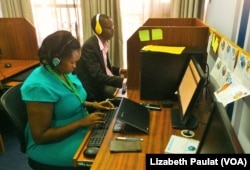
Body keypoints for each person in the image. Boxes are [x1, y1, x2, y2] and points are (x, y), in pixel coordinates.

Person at [20, 30, 115, 168]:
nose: (75, 66)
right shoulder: (38, 87)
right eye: (72, 62)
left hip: (77, 129)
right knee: (106, 159)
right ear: (56, 59)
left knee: (112, 140)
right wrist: (81, 123)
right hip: (52, 144)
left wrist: (94, 105)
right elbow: (41, 136)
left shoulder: (60, 71)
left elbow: (69, 98)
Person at [74, 13, 127, 102]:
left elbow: (104, 67)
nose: (113, 30)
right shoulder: (90, 46)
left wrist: (121, 70)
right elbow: (97, 75)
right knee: (124, 98)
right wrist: (123, 81)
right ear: (98, 29)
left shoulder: (103, 43)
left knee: (126, 94)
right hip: (94, 88)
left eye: (113, 26)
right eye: (109, 27)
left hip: (102, 82)